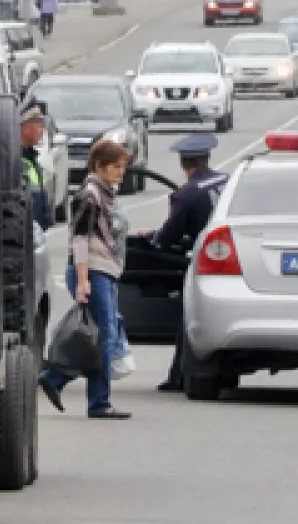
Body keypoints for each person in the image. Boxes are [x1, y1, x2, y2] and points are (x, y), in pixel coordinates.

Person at [38, 137, 131, 420]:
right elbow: (80, 239)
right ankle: (98, 402)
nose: (121, 172)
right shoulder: (89, 195)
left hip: (104, 270)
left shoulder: (104, 193)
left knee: (96, 335)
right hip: (93, 271)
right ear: (100, 166)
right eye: (116, 166)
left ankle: (55, 379)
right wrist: (82, 279)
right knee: (103, 337)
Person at [149, 133, 230, 392]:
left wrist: (152, 238)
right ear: (207, 159)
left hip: (204, 261)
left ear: (184, 165)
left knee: (189, 317)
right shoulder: (228, 182)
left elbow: (167, 237)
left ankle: (179, 375)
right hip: (234, 258)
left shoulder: (186, 195)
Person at [19, 99, 52, 229]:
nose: (42, 130)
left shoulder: (31, 159)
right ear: (24, 127)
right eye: (39, 124)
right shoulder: (17, 164)